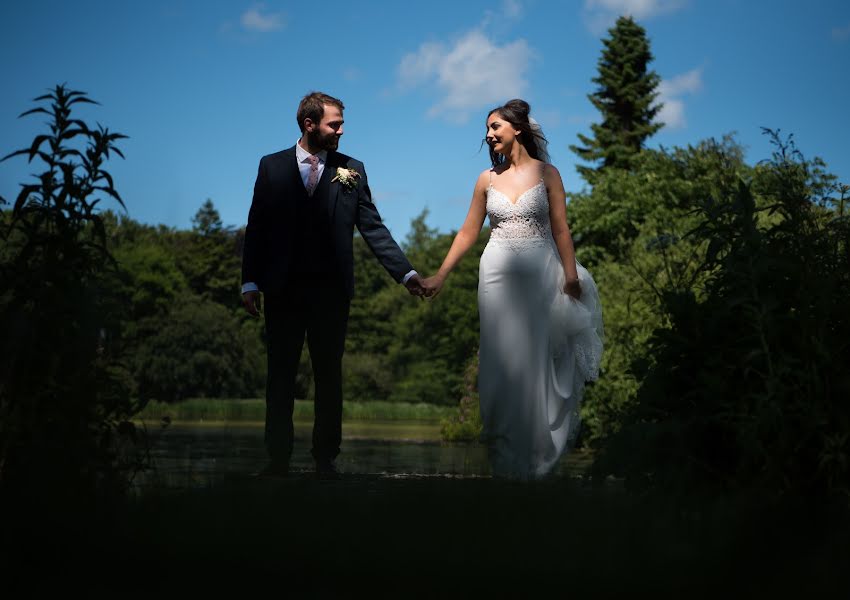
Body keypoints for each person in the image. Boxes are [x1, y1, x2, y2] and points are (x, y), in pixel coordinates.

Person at [241, 91, 426, 479]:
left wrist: (406, 274)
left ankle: (326, 461)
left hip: (331, 292)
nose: (342, 130)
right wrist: (250, 280)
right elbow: (257, 225)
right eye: (334, 124)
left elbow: (372, 228)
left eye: (341, 123)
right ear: (310, 125)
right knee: (280, 375)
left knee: (329, 376)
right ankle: (277, 461)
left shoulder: (351, 169)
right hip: (283, 289)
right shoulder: (271, 167)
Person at [422, 99, 603, 479]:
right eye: (487, 130)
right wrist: (440, 275)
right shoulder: (486, 179)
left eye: (494, 127)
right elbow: (470, 231)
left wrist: (570, 275)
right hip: (496, 273)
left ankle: (537, 457)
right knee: (500, 361)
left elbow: (561, 229)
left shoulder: (548, 174)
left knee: (536, 359)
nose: (489, 136)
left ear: (517, 129)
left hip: (540, 272)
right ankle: (505, 454)